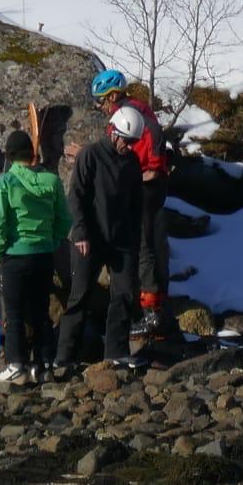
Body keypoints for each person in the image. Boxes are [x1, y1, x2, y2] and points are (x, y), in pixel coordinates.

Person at [54, 106, 145, 372]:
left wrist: (135, 237)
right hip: (90, 240)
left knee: (126, 293)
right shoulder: (91, 155)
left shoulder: (132, 163)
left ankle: (117, 351)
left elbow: (136, 203)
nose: (129, 146)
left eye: (134, 142)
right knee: (79, 296)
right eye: (126, 141)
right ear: (114, 133)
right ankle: (65, 355)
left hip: (122, 241)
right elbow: (77, 196)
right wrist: (80, 233)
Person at [87, 69, 170, 337]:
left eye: (100, 101)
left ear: (112, 95)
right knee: (143, 244)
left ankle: (150, 313)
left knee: (145, 245)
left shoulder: (133, 114)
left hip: (145, 185)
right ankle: (144, 308)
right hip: (142, 182)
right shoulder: (132, 111)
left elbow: (151, 144)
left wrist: (151, 171)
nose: (98, 107)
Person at [0, 130, 72, 385]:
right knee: (40, 311)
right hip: (44, 254)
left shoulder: (5, 182)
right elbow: (64, 219)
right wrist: (53, 241)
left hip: (15, 255)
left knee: (14, 313)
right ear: (32, 154)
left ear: (9, 156)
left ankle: (16, 365)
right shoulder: (52, 181)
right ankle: (43, 365)